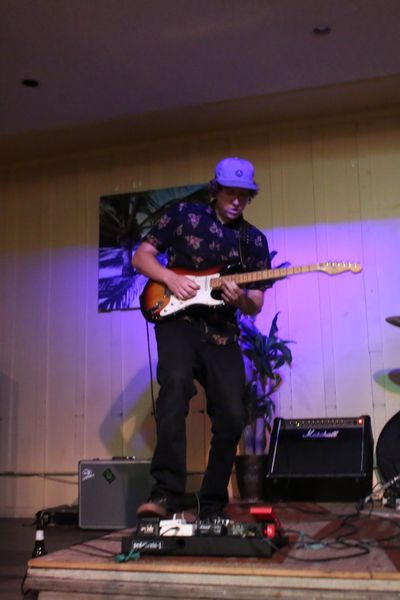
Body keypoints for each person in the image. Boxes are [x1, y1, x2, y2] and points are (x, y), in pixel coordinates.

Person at [132, 157, 273, 522]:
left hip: (222, 333)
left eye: (244, 195)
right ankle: (165, 493)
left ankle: (210, 503)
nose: (237, 201)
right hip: (178, 322)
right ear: (216, 190)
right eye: (230, 193)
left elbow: (256, 302)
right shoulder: (184, 215)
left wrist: (240, 299)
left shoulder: (253, 240)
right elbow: (141, 256)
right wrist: (170, 278)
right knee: (176, 385)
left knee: (233, 415)